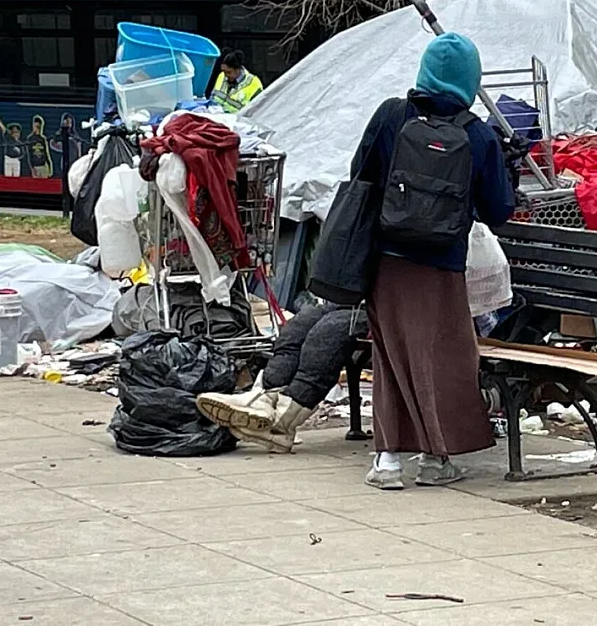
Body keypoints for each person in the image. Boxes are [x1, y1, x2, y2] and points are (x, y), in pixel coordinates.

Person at [353, 32, 515, 490]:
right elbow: (499, 210)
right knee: (443, 357)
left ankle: (386, 462)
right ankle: (436, 459)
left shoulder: (390, 117)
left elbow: (359, 175)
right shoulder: (477, 133)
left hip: (386, 261)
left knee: (390, 356)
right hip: (443, 264)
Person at [195, 304, 368, 451]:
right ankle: (263, 398)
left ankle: (280, 427)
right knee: (300, 325)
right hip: (354, 299)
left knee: (328, 332)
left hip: (385, 304)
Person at [0, 108, 25, 177]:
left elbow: (23, 154)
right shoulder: (8, 138)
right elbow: (2, 126)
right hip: (8, 160)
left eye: (17, 132)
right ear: (11, 133)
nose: (16, 134)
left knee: (16, 178)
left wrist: (18, 157)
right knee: (8, 178)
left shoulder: (21, 143)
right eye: (14, 132)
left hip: (16, 161)